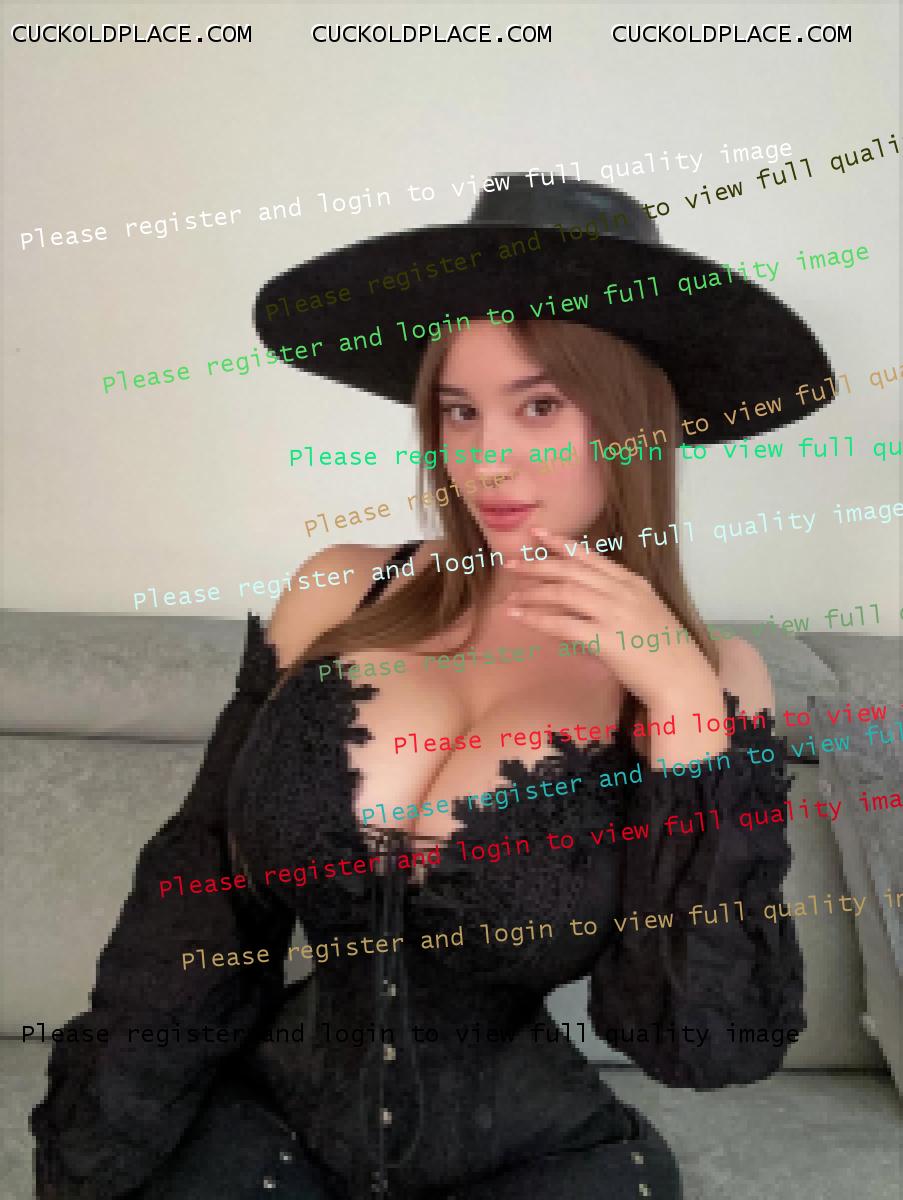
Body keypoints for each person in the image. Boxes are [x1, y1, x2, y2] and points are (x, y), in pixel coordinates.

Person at [33, 176, 822, 1199]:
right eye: (460, 411)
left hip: (538, 1156)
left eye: (540, 406)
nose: (487, 461)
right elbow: (199, 911)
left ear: (632, 423)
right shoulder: (339, 591)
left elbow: (705, 1041)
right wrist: (99, 1155)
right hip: (269, 1123)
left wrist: (678, 706)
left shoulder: (713, 681)